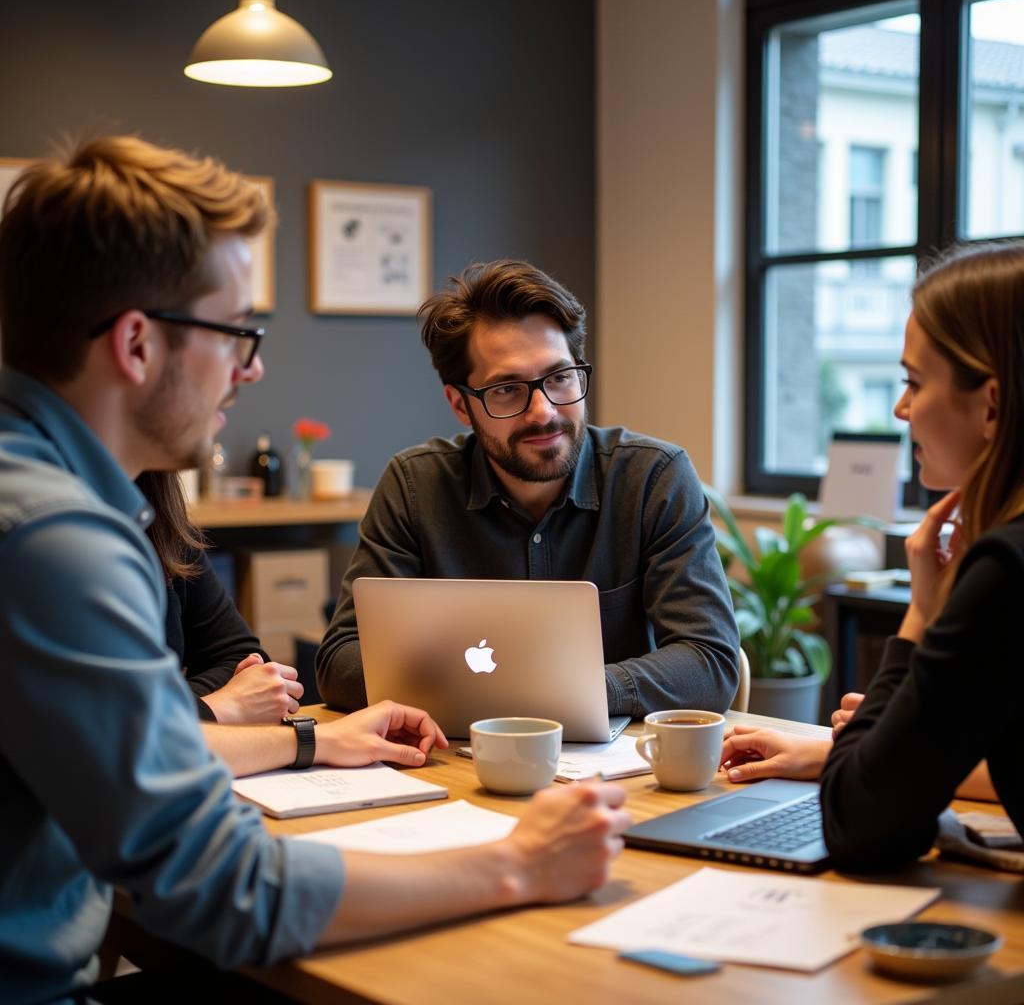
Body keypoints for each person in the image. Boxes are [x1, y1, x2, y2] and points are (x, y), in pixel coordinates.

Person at [0, 137, 631, 1004]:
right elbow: (223, 891)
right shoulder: (55, 538)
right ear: (137, 345)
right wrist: (518, 865)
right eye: (237, 334)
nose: (252, 368)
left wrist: (307, 739)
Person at [316, 259, 740, 716]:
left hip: (615, 774)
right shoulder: (415, 486)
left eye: (559, 378)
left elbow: (710, 659)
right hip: (455, 762)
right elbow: (340, 660)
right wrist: (507, 695)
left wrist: (573, 692)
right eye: (507, 390)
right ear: (461, 404)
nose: (542, 411)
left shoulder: (653, 478)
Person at [718, 242, 1024, 872]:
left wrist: (920, 616)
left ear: (990, 404)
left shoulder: (1005, 572)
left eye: (914, 382)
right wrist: (876, 744)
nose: (900, 409)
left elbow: (862, 826)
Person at [137, 468, 304, 725]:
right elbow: (114, 717)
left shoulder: (163, 531)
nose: (220, 424)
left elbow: (242, 658)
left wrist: (186, 708)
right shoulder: (69, 533)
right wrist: (225, 705)